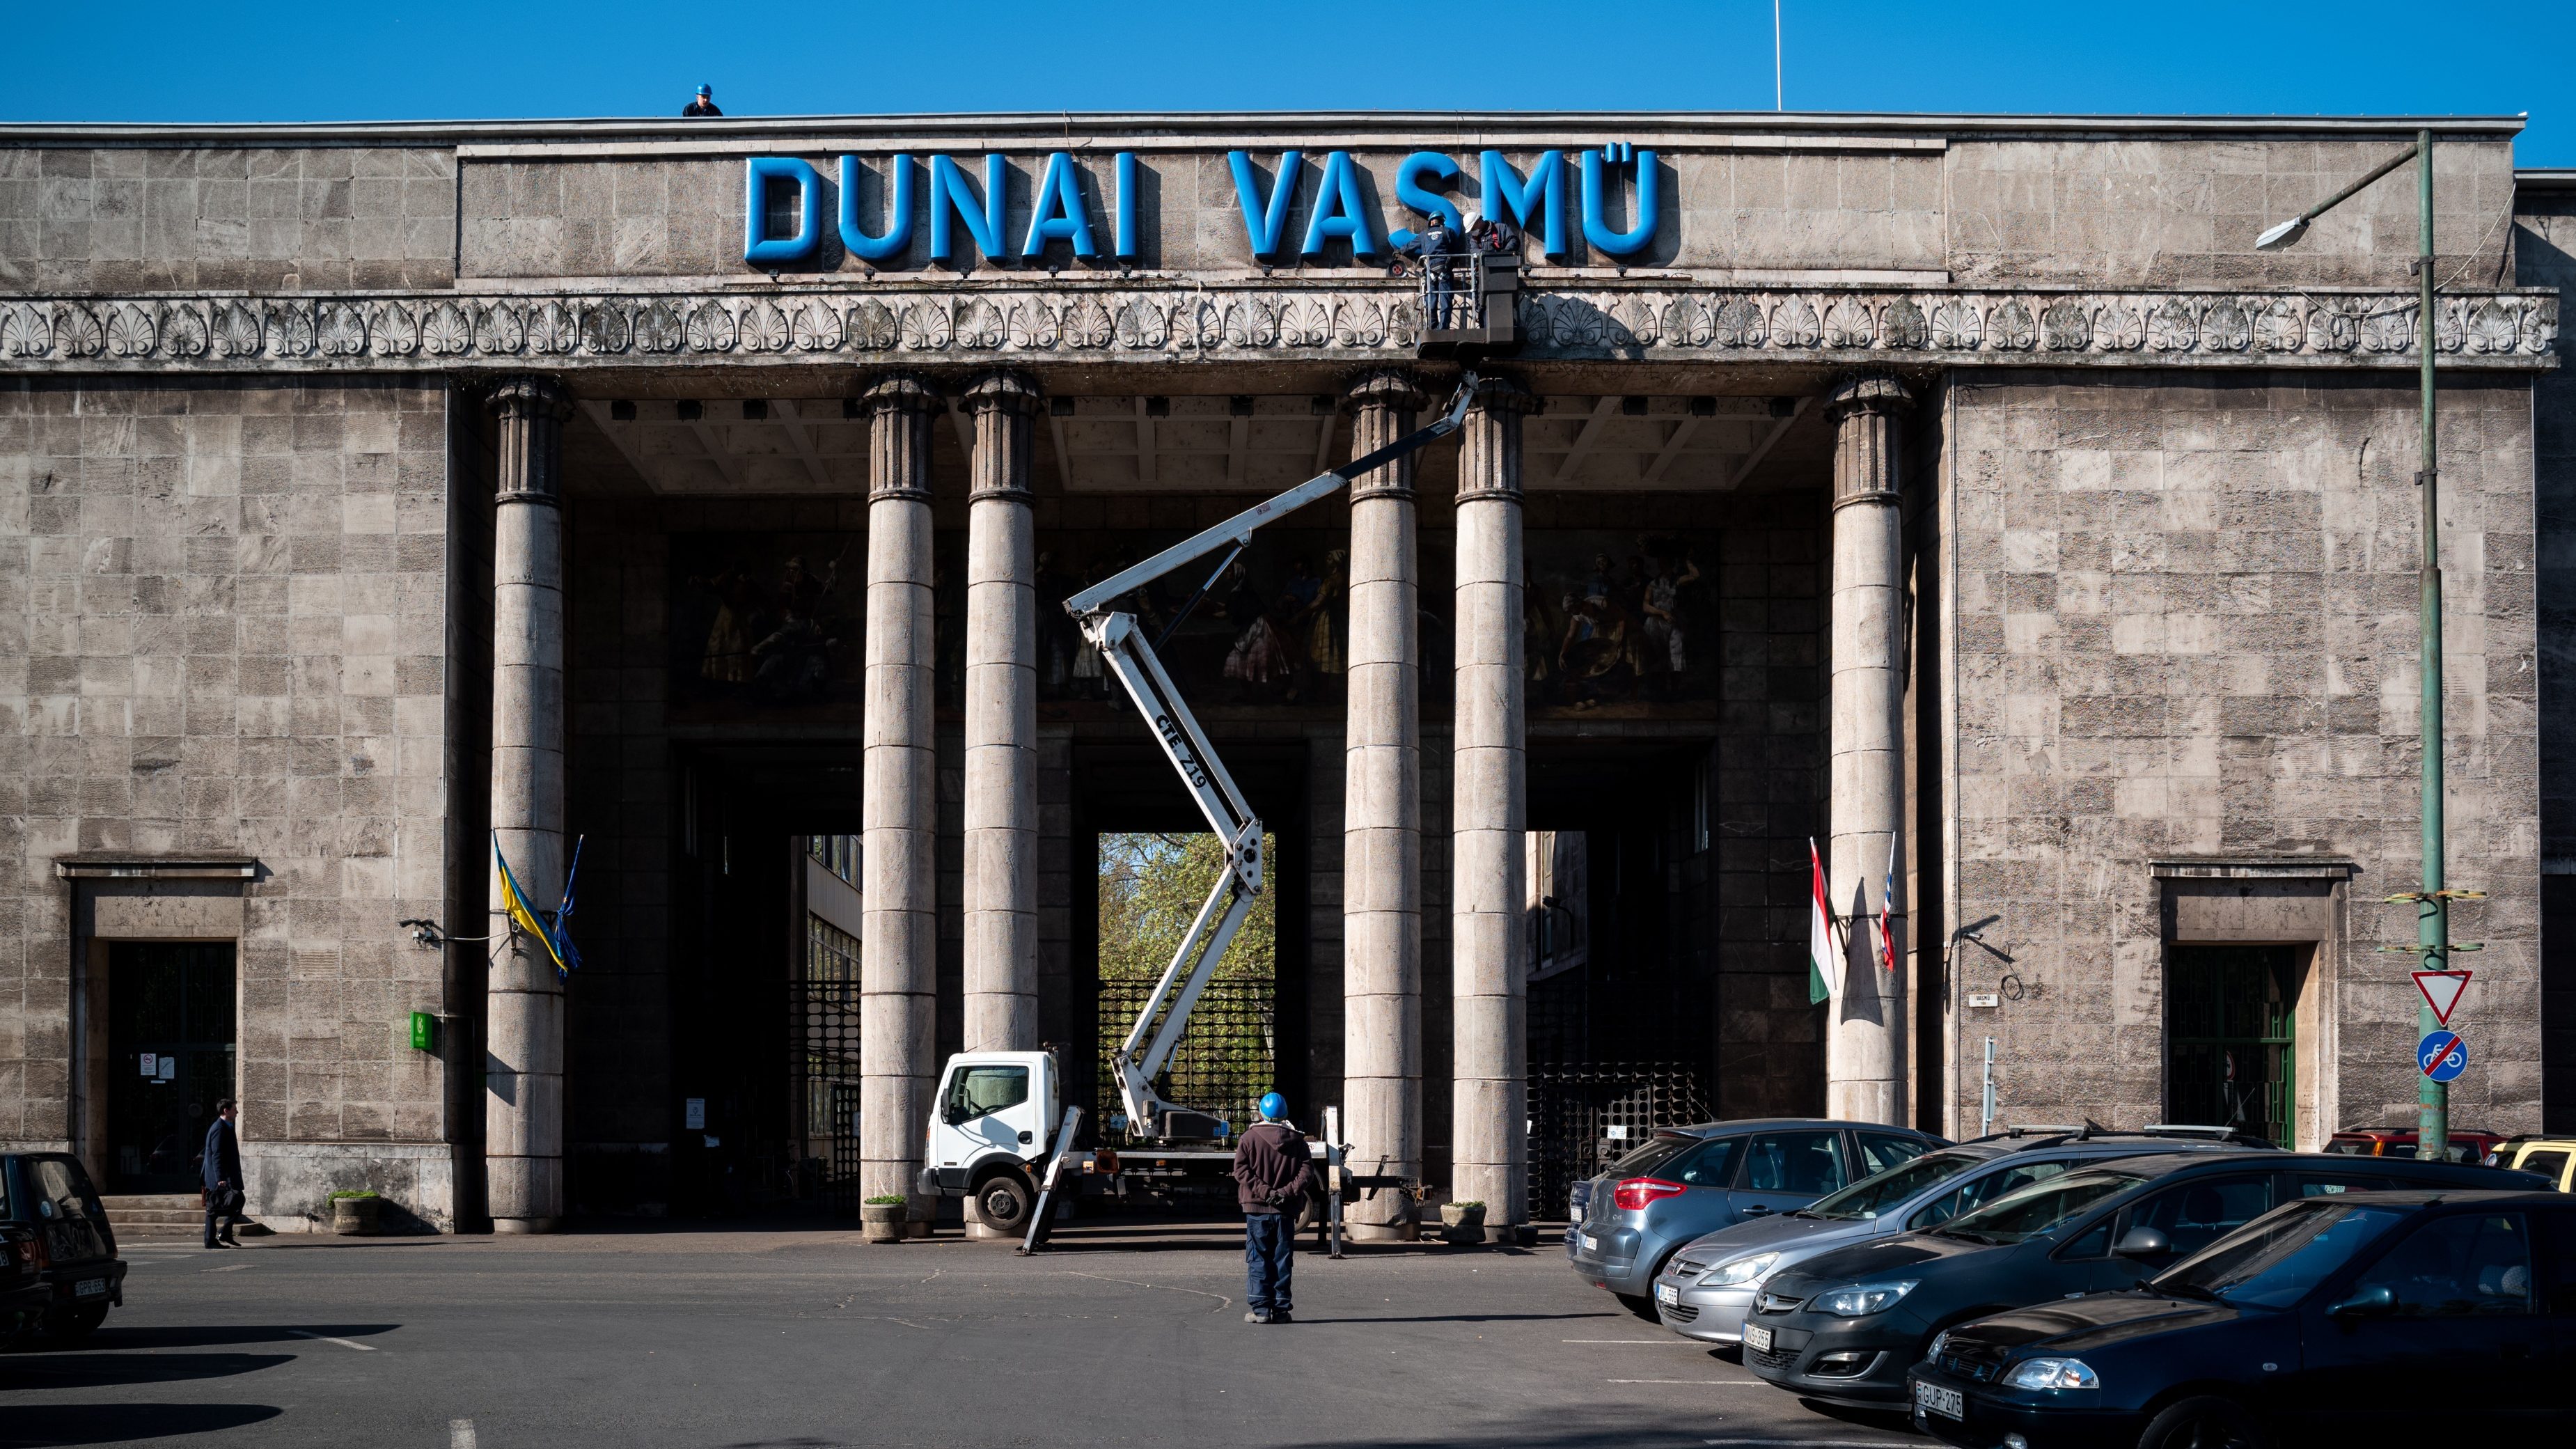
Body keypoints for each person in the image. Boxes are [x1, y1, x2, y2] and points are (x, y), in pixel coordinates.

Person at [1232, 1092, 1312, 1324]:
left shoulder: (1249, 1138)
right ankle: (1281, 1309)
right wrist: (1284, 1194)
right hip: (1285, 1210)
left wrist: (1265, 1193)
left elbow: (1241, 1171)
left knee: (1257, 1257)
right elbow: (1305, 1174)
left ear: (1260, 1113)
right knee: (1282, 1258)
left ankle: (1261, 1309)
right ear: (1285, 1115)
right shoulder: (1298, 1141)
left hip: (1257, 1208)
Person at [202, 1099, 243, 1249]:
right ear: (226, 1111)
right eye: (234, 1109)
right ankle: (211, 1240)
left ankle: (224, 1233)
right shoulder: (219, 1128)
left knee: (238, 1200)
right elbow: (216, 1155)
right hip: (220, 1177)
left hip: (227, 1175)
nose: (237, 1112)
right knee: (213, 1210)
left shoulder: (227, 1126)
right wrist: (220, 1178)